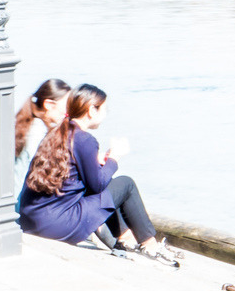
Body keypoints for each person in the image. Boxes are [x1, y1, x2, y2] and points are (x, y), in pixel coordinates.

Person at [19, 83, 181, 267]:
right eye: (104, 108)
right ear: (91, 110)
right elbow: (97, 185)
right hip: (56, 224)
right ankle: (150, 246)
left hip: (31, 220)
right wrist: (114, 158)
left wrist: (99, 163)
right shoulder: (84, 139)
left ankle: (125, 240)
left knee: (110, 184)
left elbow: (78, 177)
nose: (106, 114)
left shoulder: (57, 133)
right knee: (125, 184)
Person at [14, 78, 70, 205]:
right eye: (66, 106)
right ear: (49, 104)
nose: (68, 113)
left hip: (16, 200)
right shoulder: (37, 133)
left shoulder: (27, 124)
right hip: (21, 204)